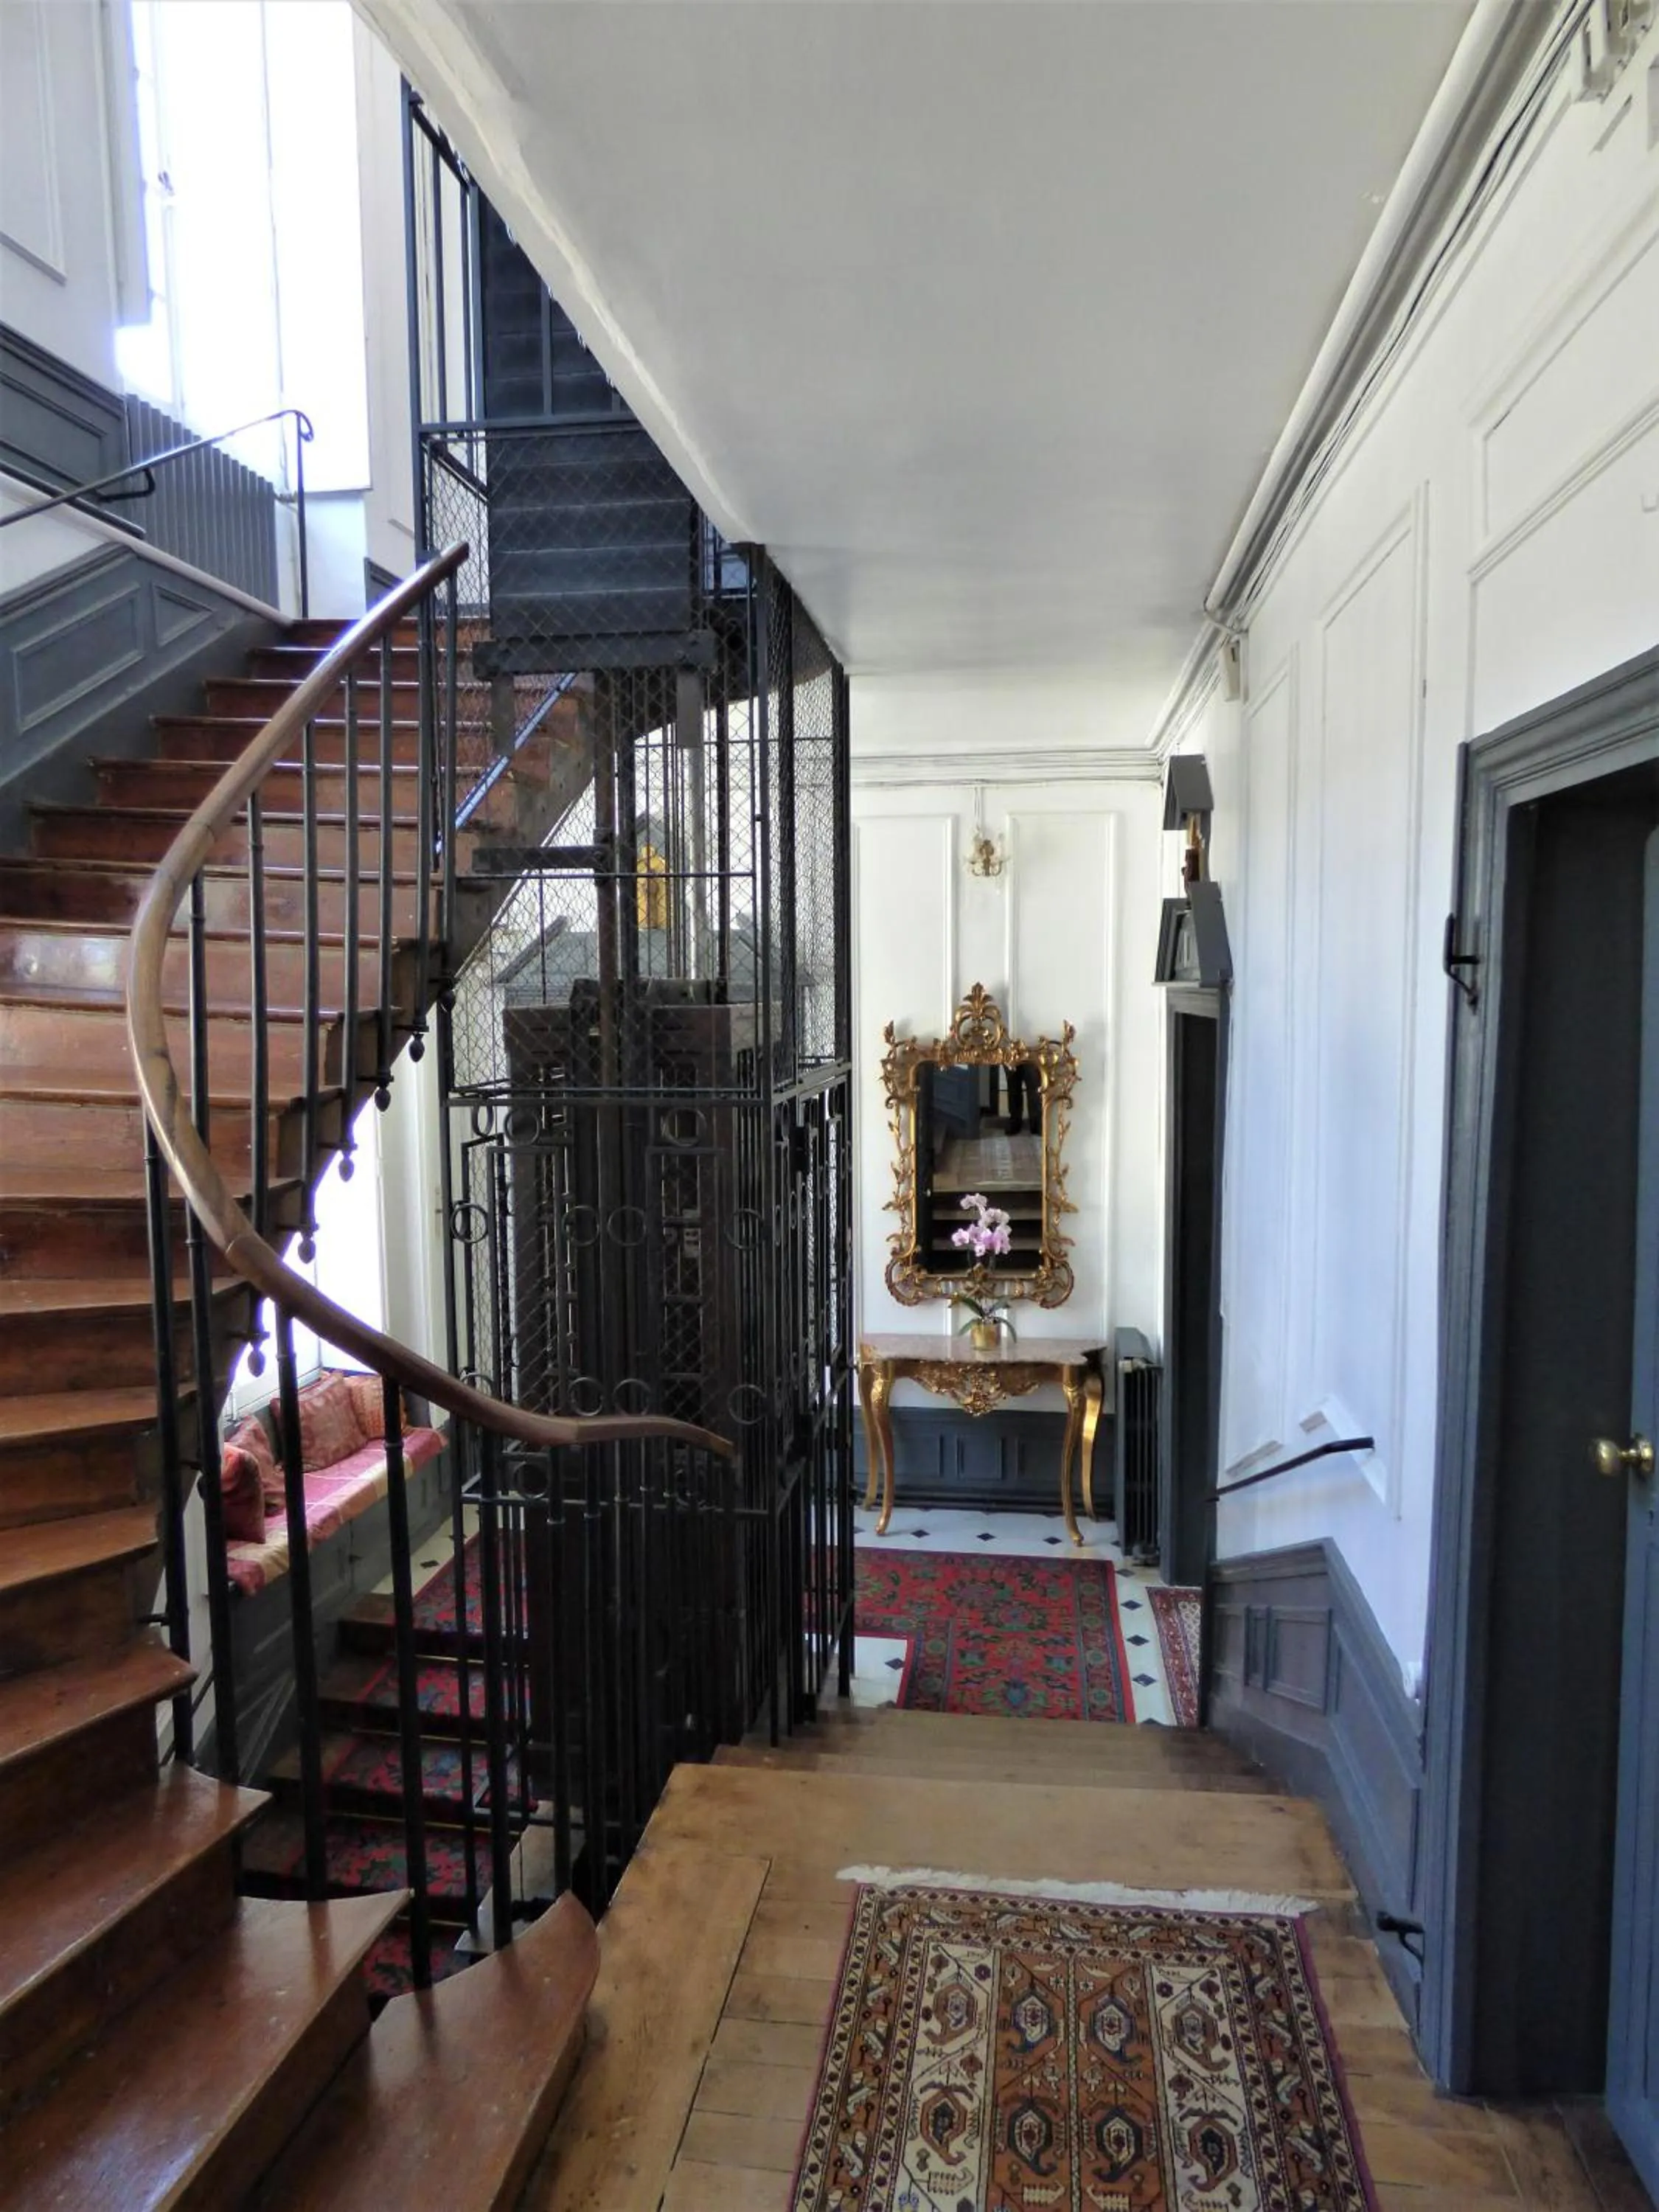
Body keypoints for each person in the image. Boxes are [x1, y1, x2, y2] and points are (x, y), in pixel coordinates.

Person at [1004, 1060, 1041, 1135]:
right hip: (1012, 1054)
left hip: (1030, 1054)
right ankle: (1015, 1120)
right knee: (1013, 1083)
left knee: (1033, 1082)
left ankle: (1036, 1122)